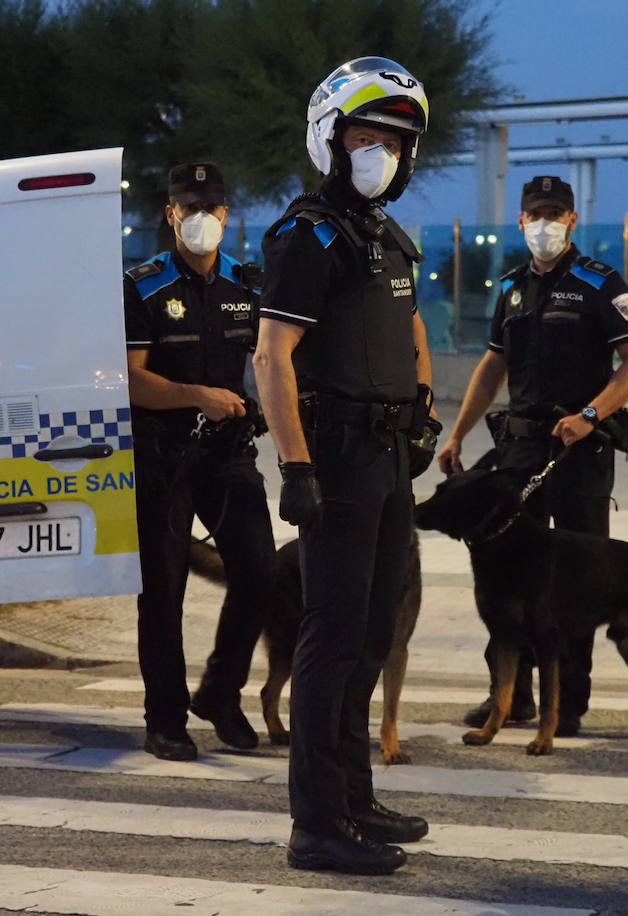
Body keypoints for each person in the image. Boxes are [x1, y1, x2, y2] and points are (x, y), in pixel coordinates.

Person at [253, 57, 440, 876]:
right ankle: (316, 827)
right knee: (329, 642)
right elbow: (272, 355)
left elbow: (409, 332)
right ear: (331, 139)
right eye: (368, 137)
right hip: (336, 460)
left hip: (391, 458)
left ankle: (355, 798)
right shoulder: (308, 234)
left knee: (371, 635)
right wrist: (296, 467)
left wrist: (425, 407)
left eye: (395, 142)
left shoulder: (384, 238)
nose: (382, 154)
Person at [436, 175, 628, 738]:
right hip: (518, 450)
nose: (545, 224)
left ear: (573, 221)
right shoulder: (512, 288)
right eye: (536, 214)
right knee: (504, 574)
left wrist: (591, 415)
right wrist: (457, 434)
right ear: (521, 221)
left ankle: (570, 702)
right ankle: (511, 697)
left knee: (578, 578)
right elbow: (492, 367)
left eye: (555, 214)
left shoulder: (600, 283)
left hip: (578, 451)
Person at [123, 162, 276, 762]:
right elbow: (133, 381)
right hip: (162, 454)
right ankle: (164, 718)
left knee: (261, 572)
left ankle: (220, 693)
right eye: (188, 208)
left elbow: (275, 360)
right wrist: (195, 397)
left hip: (228, 452)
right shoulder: (141, 286)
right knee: (163, 589)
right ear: (170, 215)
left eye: (210, 209)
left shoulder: (251, 285)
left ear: (226, 215)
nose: (200, 219)